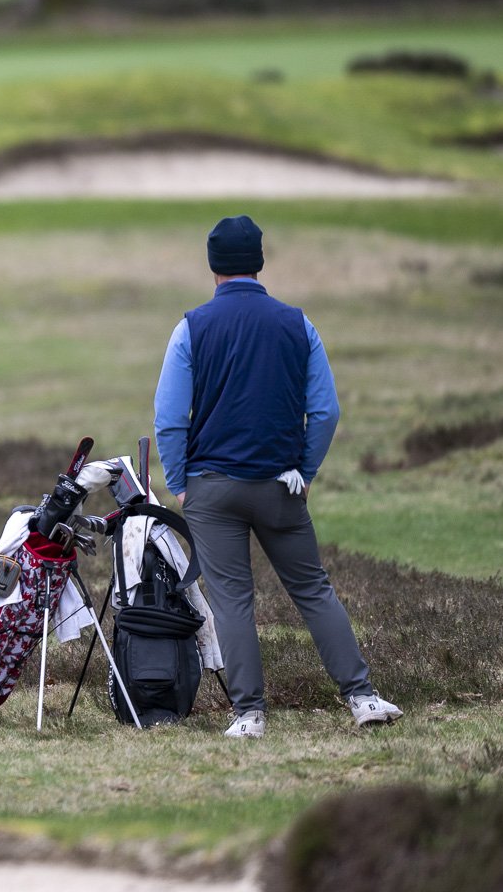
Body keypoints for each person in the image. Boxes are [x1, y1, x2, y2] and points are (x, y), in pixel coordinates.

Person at [153, 215, 401, 738]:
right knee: (313, 589)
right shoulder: (298, 324)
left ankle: (250, 715)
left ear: (213, 266)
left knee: (233, 601)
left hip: (212, 487)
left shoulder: (191, 327)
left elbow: (170, 418)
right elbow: (326, 412)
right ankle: (361, 698)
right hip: (281, 485)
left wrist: (180, 482)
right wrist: (304, 470)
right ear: (259, 263)